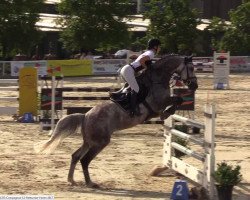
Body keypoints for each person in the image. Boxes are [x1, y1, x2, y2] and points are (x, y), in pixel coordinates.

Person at [120, 38, 161, 116]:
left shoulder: (149, 52)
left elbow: (140, 61)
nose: (160, 48)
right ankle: (132, 111)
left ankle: (129, 104)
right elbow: (142, 61)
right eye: (159, 46)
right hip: (128, 71)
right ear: (155, 47)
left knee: (138, 87)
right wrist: (146, 68)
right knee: (136, 89)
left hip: (128, 70)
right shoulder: (151, 53)